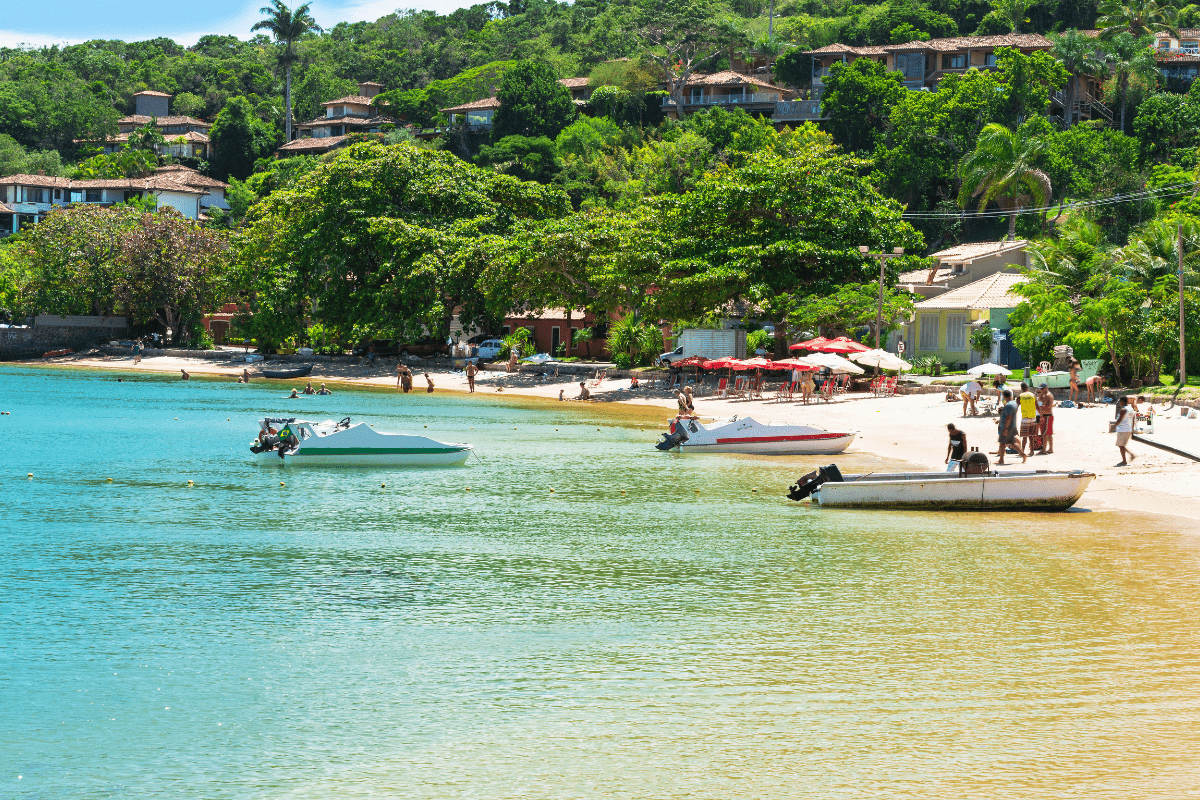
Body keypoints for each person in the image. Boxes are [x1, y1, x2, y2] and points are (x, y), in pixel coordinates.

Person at [994, 389, 1024, 465]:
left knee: (1002, 443)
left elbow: (1008, 417)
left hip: (1006, 426)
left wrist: (1005, 428)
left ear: (1004, 396)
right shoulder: (1014, 404)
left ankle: (1001, 459)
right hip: (1012, 425)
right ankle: (1022, 454)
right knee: (1011, 442)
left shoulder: (1008, 405)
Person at [1114, 395, 1136, 466]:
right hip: (1128, 429)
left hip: (1123, 429)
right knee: (1121, 445)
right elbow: (1133, 419)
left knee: (1121, 445)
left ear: (1122, 402)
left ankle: (1126, 459)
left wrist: (1113, 426)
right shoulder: (1131, 409)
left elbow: (1120, 420)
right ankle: (1129, 457)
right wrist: (1132, 428)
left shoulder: (1123, 409)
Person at [1018, 382, 1037, 458]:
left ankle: (1022, 451)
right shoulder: (1033, 395)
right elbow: (1037, 406)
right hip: (1033, 417)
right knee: (1031, 436)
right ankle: (1032, 451)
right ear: (1027, 388)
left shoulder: (1020, 396)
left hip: (1025, 418)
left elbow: (1016, 405)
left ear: (1022, 388)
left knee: (1024, 436)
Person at [1036, 383, 1055, 454]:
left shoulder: (1047, 396)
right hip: (1048, 415)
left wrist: (1040, 408)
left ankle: (1044, 449)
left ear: (1046, 388)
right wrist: (1040, 396)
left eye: (1042, 388)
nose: (1041, 390)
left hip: (1046, 416)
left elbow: (1048, 407)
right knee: (1049, 433)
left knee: (1044, 433)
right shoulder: (1046, 395)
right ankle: (1050, 448)